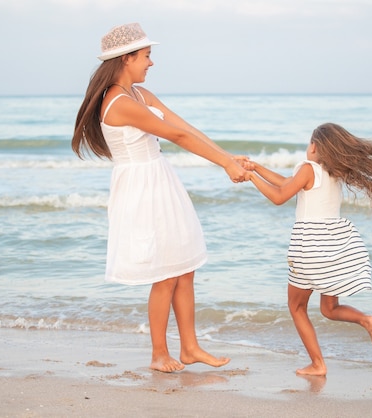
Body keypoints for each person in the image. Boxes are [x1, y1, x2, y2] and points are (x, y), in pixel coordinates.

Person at [72, 23, 246, 373]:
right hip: (141, 188)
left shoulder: (139, 95)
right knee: (165, 273)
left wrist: (228, 157)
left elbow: (186, 127)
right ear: (126, 59)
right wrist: (224, 163)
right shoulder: (119, 102)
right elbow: (178, 136)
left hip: (160, 180)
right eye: (147, 56)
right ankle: (158, 354)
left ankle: (190, 347)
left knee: (184, 267)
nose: (151, 63)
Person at [242, 122, 372, 376]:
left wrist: (250, 177)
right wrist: (257, 167)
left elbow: (279, 196)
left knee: (296, 308)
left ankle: (318, 364)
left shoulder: (308, 169)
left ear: (315, 146)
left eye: (309, 143)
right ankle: (366, 320)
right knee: (329, 309)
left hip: (308, 247)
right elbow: (287, 182)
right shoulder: (332, 174)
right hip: (333, 246)